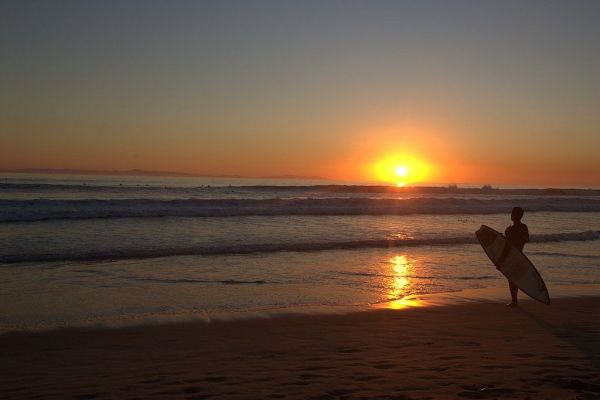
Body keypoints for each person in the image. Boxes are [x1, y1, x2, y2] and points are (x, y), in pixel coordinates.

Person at [498, 207, 529, 307]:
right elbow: (526, 239)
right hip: (520, 255)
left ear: (512, 216)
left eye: (511, 213)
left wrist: (500, 261)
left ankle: (514, 301)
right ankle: (514, 300)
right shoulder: (524, 227)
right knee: (515, 277)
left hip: (511, 257)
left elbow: (507, 246)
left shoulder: (509, 230)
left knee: (511, 279)